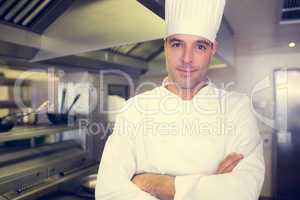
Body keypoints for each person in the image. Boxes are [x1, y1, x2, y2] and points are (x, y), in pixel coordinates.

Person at [95, 0, 265, 199]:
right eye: (177, 44)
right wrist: (210, 187)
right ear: (165, 45)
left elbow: (242, 192)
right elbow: (109, 192)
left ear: (213, 50)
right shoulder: (134, 109)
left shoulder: (236, 108)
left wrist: (150, 182)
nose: (186, 58)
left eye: (200, 46)